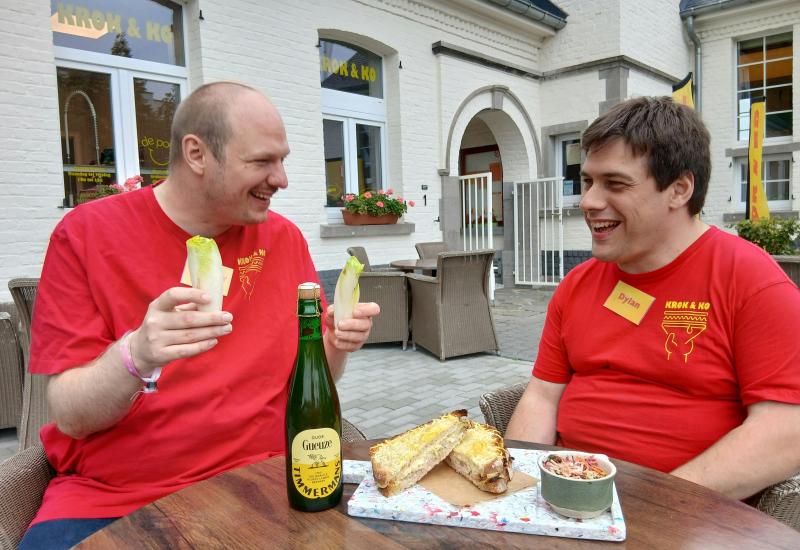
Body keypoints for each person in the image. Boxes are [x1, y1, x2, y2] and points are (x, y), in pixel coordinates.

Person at [20, 82, 380, 549]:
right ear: (196, 154)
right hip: (122, 501)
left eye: (282, 160)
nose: (282, 179)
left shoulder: (284, 239)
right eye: (262, 162)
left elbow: (309, 382)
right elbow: (71, 417)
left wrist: (333, 342)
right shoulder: (87, 235)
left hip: (268, 483)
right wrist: (135, 355)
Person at [506, 96, 800, 500]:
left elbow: (786, 429)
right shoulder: (579, 283)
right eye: (588, 181)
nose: (588, 201)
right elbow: (542, 395)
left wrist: (654, 504)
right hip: (569, 501)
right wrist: (521, 492)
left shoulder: (751, 282)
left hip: (689, 516)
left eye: (615, 183)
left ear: (679, 189)